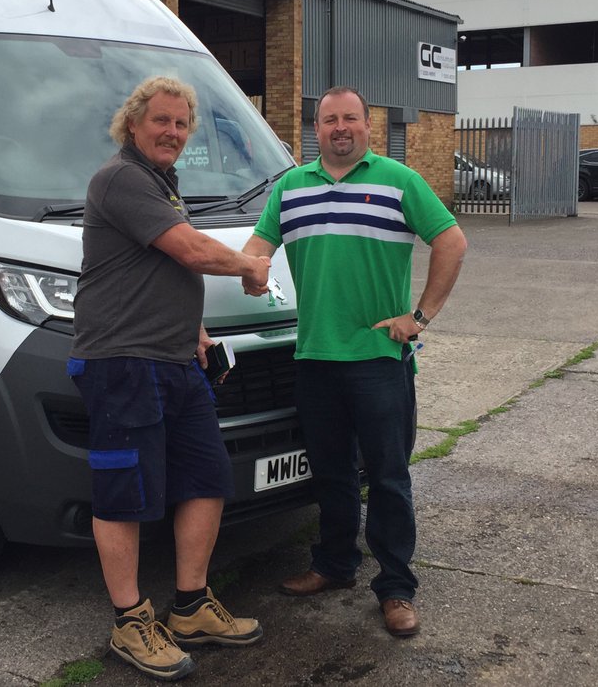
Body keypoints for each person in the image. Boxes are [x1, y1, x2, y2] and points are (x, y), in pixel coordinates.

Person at [242, 85, 467, 639]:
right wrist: (243, 274)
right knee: (333, 474)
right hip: (314, 357)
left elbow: (452, 241)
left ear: (368, 125)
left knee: (388, 477)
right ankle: (335, 565)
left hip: (378, 359)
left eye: (350, 119)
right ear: (315, 129)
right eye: (328, 120)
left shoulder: (400, 181)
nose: (339, 128)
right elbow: (256, 250)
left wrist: (421, 316)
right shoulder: (290, 188)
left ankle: (395, 587)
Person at [69, 75, 271, 681]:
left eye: (183, 124)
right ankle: (130, 621)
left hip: (177, 359)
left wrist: (195, 329)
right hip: (124, 363)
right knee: (123, 495)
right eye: (162, 121)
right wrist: (250, 265)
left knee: (206, 479)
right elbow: (189, 251)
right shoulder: (121, 178)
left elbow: (150, 272)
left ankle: (190, 607)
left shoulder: (161, 183)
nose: (173, 133)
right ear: (133, 124)